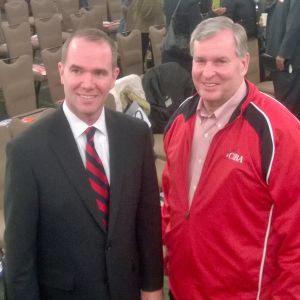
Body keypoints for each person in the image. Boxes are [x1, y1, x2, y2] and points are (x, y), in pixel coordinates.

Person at [4, 28, 163, 300]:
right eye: (77, 71)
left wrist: (152, 288)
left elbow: (147, 223)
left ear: (114, 76)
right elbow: (20, 259)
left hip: (126, 290)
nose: (88, 83)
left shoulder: (136, 135)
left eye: (99, 73)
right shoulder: (26, 151)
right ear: (61, 71)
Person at [162, 16, 300, 299]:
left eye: (220, 61)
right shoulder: (180, 118)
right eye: (200, 61)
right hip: (181, 288)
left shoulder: (278, 132)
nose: (207, 72)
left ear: (244, 63)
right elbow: (171, 197)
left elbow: (296, 236)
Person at [265, 0, 300, 119]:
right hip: (277, 55)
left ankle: (291, 133)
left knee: (289, 104)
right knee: (282, 97)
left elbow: (294, 25)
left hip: (289, 59)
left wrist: (283, 53)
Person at [162, 0, 202, 72]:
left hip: (169, 49)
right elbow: (197, 31)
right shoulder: (191, 3)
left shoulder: (168, 1)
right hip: (185, 56)